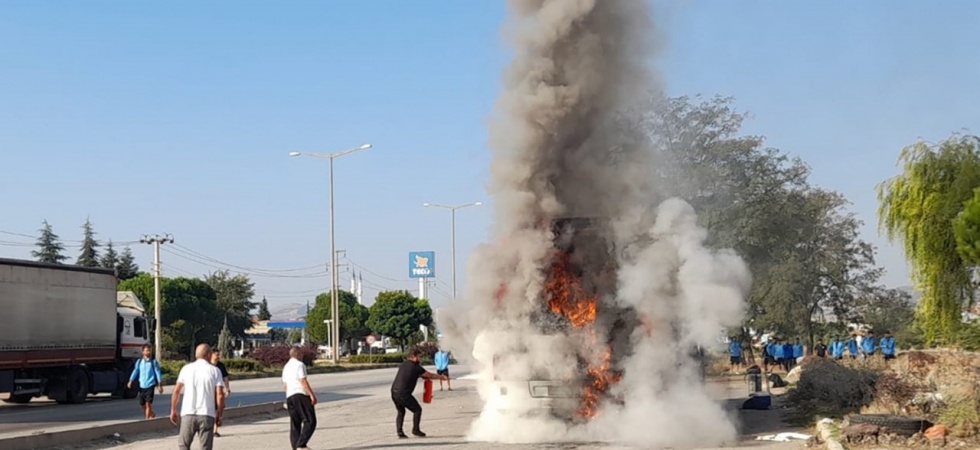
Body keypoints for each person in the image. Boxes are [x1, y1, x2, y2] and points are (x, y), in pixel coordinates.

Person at [170, 344, 225, 450]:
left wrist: (173, 410)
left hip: (188, 414)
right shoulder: (215, 371)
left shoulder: (186, 369)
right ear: (209, 355)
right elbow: (220, 395)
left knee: (183, 446)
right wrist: (219, 414)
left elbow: (176, 391)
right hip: (206, 414)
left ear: (196, 355)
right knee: (205, 447)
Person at [390, 349, 448, 438]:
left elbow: (415, 374)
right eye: (419, 357)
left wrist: (422, 376)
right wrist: (441, 377)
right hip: (403, 393)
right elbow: (430, 375)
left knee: (401, 411)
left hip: (394, 392)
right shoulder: (416, 367)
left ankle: (400, 432)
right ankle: (415, 430)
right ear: (414, 357)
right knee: (417, 410)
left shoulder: (404, 364)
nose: (420, 359)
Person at [283, 347, 317, 450]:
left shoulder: (286, 367)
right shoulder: (299, 365)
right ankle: (301, 444)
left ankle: (295, 447)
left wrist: (288, 398)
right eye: (301, 354)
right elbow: (303, 381)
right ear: (297, 354)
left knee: (295, 423)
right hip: (300, 394)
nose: (303, 356)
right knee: (310, 421)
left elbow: (284, 385)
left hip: (290, 396)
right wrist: (311, 395)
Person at [127, 344, 164, 419]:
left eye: (150, 350)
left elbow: (158, 373)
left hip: (150, 385)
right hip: (142, 385)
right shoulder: (139, 362)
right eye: (147, 350)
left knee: (148, 404)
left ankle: (147, 420)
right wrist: (130, 381)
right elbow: (135, 371)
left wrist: (160, 385)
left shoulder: (153, 362)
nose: (149, 352)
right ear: (143, 351)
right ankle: (151, 413)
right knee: (142, 404)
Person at [209, 352, 231, 437]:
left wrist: (227, 388)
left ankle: (215, 430)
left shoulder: (221, 365)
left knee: (218, 409)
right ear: (211, 355)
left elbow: (225, 377)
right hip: (208, 391)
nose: (218, 356)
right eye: (216, 354)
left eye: (219, 355)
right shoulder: (207, 365)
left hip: (218, 390)